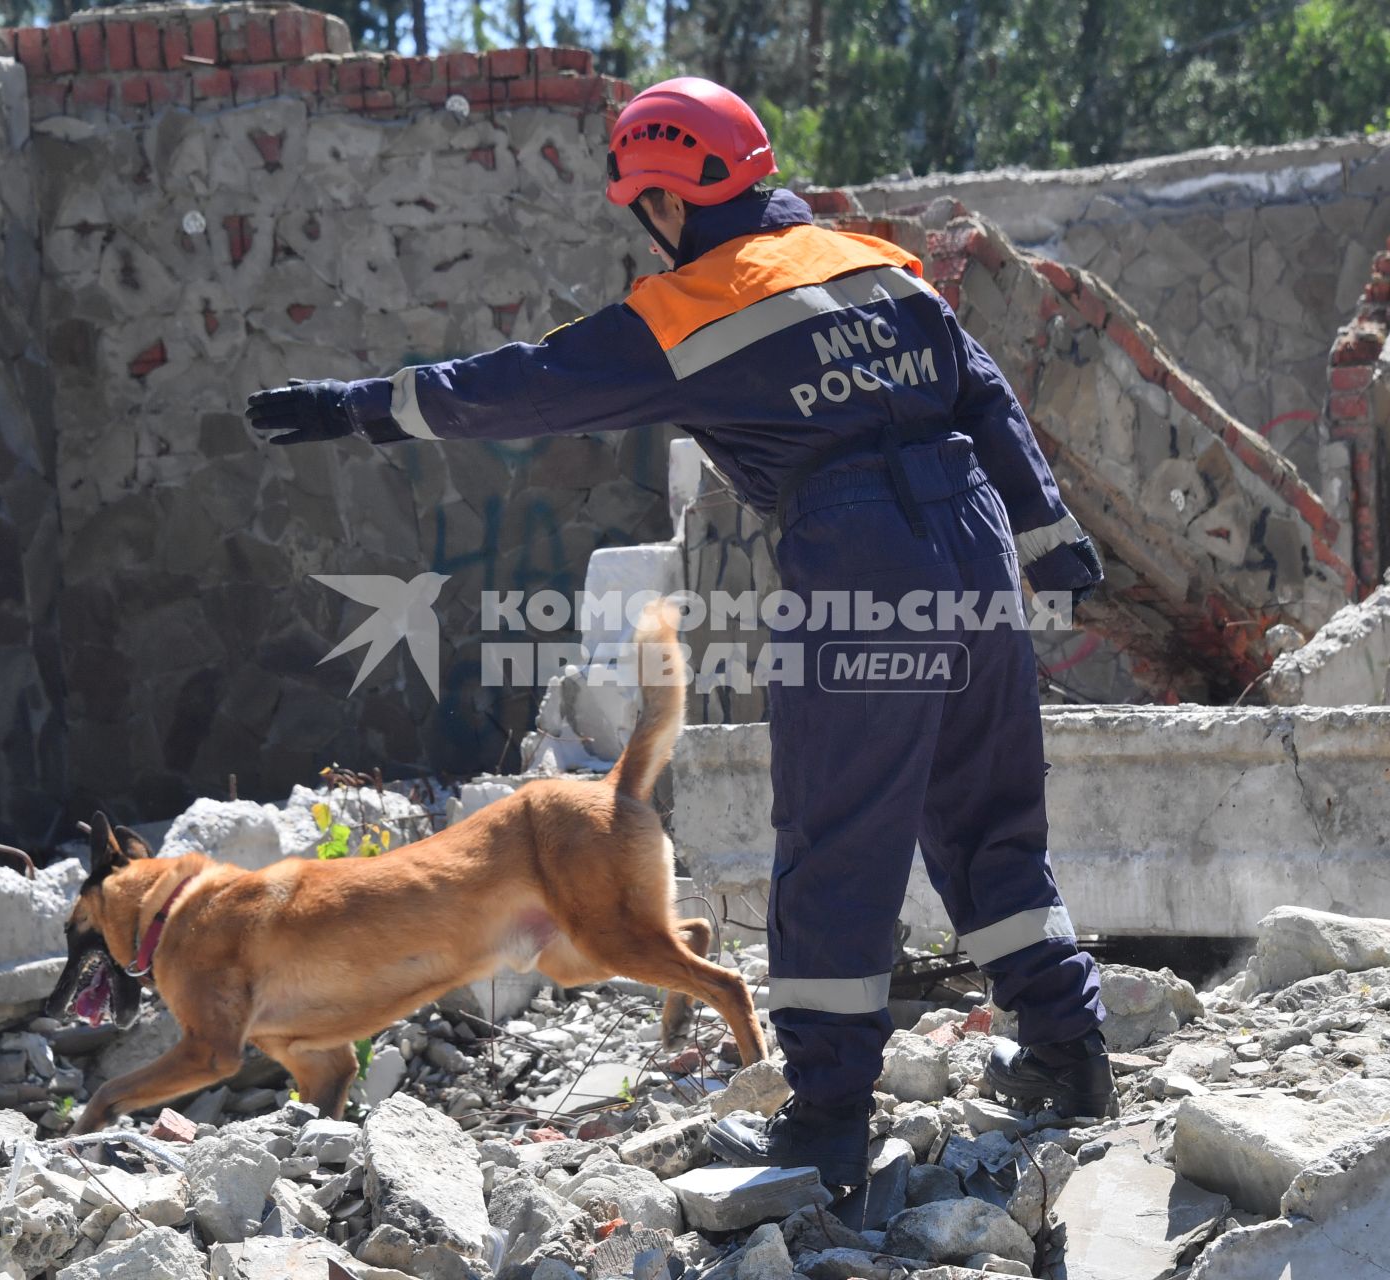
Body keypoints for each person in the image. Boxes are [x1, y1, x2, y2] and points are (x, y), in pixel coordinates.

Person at [245, 76, 1112, 1186]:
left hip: (858, 552)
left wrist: (363, 405)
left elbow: (522, 386)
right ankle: (1067, 1046)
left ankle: (830, 1119)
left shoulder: (689, 311)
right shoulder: (873, 263)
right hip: (974, 538)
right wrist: (1047, 532)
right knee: (993, 808)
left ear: (663, 202)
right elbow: (983, 393)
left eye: (641, 213)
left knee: (840, 830)